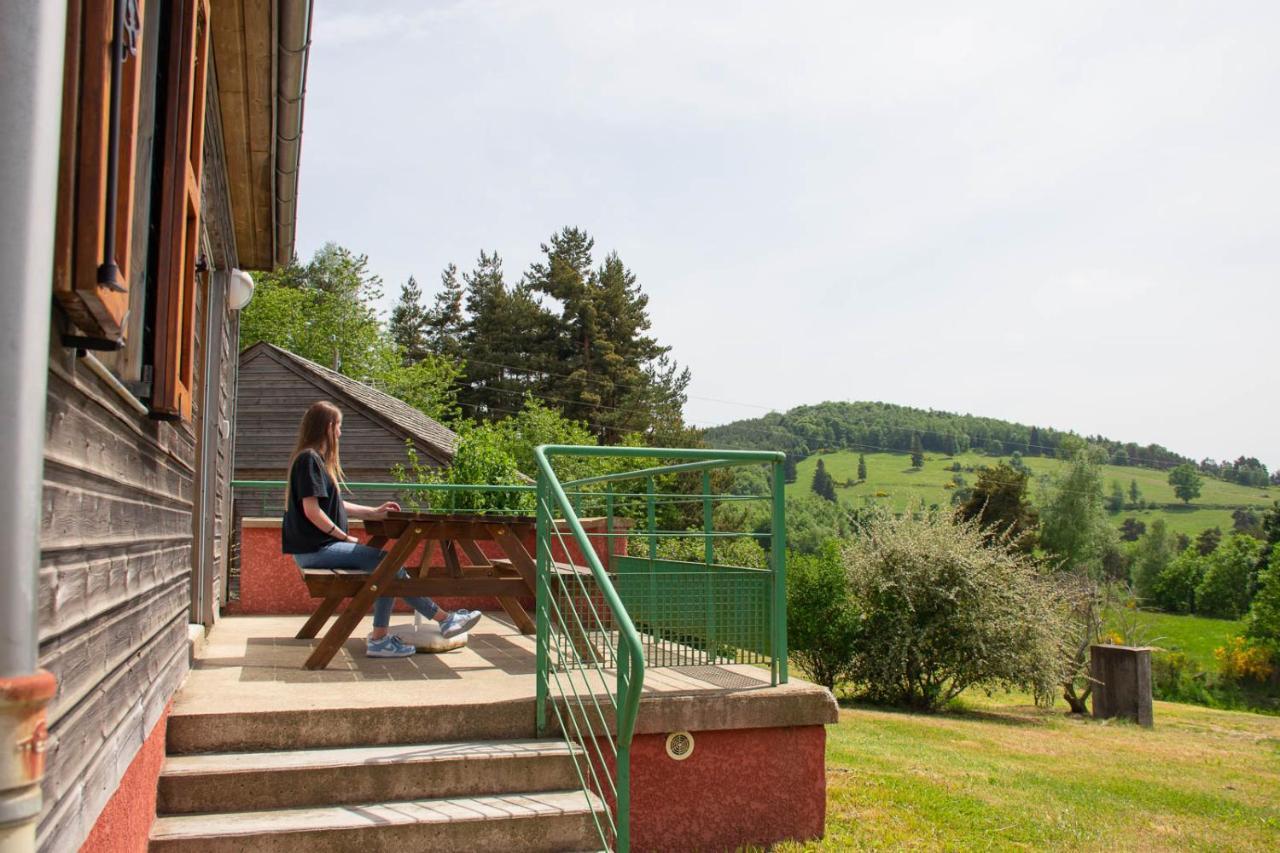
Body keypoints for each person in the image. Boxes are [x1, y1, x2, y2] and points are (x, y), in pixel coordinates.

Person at [282, 401, 481, 657]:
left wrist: (373, 512)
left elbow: (332, 504)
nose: (341, 433)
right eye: (340, 426)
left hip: (317, 548)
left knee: (387, 567)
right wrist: (341, 535)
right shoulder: (310, 459)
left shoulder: (312, 459)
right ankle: (438, 621)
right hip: (317, 550)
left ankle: (390, 635)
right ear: (329, 427)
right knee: (387, 566)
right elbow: (312, 510)